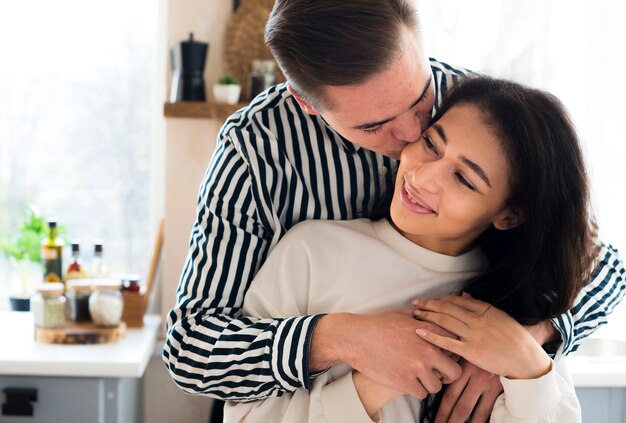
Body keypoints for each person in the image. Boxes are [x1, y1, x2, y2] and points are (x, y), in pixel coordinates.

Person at [163, 1, 625, 421]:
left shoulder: (475, 110)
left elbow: (596, 262)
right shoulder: (259, 152)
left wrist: (523, 342)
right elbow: (192, 349)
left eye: (421, 99)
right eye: (375, 124)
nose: (411, 134)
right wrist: (344, 340)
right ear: (306, 103)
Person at [224, 76, 588, 422]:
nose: (422, 177)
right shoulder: (309, 253)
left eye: (463, 178)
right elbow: (244, 416)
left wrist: (528, 366)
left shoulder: (517, 310)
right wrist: (368, 388)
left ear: (509, 216)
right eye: (431, 144)